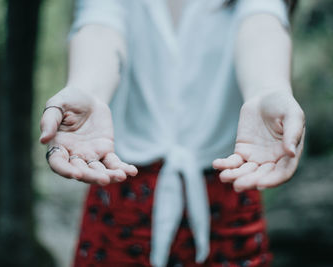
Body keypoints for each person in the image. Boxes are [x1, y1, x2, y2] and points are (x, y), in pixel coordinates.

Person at [39, 0, 305, 266]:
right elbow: (100, 26)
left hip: (232, 186)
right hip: (119, 188)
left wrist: (268, 91)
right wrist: (87, 90)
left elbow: (261, 23)